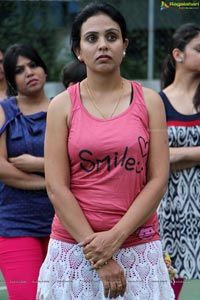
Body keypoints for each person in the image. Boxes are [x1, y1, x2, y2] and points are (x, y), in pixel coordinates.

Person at [37, 3, 174, 300]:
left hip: (137, 248)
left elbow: (158, 180)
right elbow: (56, 187)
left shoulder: (150, 102)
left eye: (111, 37)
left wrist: (114, 239)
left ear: (124, 45)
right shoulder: (60, 105)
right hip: (75, 249)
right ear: (78, 50)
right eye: (92, 38)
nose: (102, 45)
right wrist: (96, 251)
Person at [0, 43, 55, 300]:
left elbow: (80, 163)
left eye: (33, 65)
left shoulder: (64, 107)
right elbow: (3, 169)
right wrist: (50, 181)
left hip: (66, 222)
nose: (29, 72)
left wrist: (39, 164)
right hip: (16, 224)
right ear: (11, 79)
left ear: (44, 69)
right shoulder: (4, 111)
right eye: (20, 70)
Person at [157, 23, 200, 300]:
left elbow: (166, 155)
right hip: (168, 206)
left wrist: (178, 154)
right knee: (168, 282)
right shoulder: (157, 102)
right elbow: (153, 157)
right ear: (178, 54)